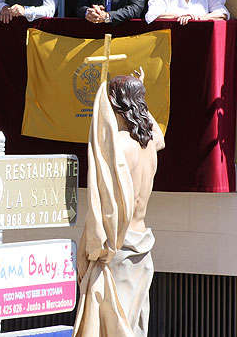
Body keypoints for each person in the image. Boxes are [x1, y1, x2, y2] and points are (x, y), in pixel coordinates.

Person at [73, 68, 165, 337]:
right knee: (134, 327)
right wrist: (141, 96)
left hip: (119, 249)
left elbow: (106, 207)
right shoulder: (149, 143)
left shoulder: (119, 146)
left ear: (115, 104)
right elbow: (158, 133)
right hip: (142, 249)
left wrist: (87, 252)